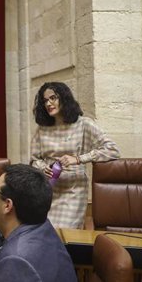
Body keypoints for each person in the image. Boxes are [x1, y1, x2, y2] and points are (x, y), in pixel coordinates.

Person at [30, 82, 120, 228]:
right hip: (48, 190)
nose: (49, 103)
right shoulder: (42, 130)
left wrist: (79, 159)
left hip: (73, 189)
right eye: (45, 100)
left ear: (64, 98)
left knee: (63, 233)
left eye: (53, 98)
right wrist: (43, 167)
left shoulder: (83, 124)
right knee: (43, 231)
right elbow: (34, 160)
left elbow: (112, 149)